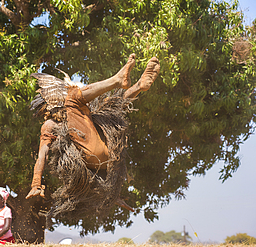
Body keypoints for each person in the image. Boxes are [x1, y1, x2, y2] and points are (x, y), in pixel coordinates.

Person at [26, 54, 160, 199]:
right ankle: (117, 80)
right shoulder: (54, 122)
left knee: (109, 106)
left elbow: (42, 156)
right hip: (94, 158)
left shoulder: (79, 117)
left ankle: (139, 86)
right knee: (74, 99)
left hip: (107, 160)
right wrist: (35, 184)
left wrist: (36, 184)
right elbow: (43, 156)